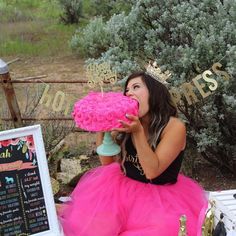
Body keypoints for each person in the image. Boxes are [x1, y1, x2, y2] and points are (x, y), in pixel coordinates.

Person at [60, 71, 208, 236]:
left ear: (154, 91)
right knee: (93, 225)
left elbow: (152, 171)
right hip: (122, 189)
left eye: (136, 87)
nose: (129, 92)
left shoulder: (174, 127)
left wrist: (137, 132)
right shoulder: (126, 123)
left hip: (161, 198)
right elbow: (107, 163)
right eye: (127, 90)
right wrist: (103, 125)